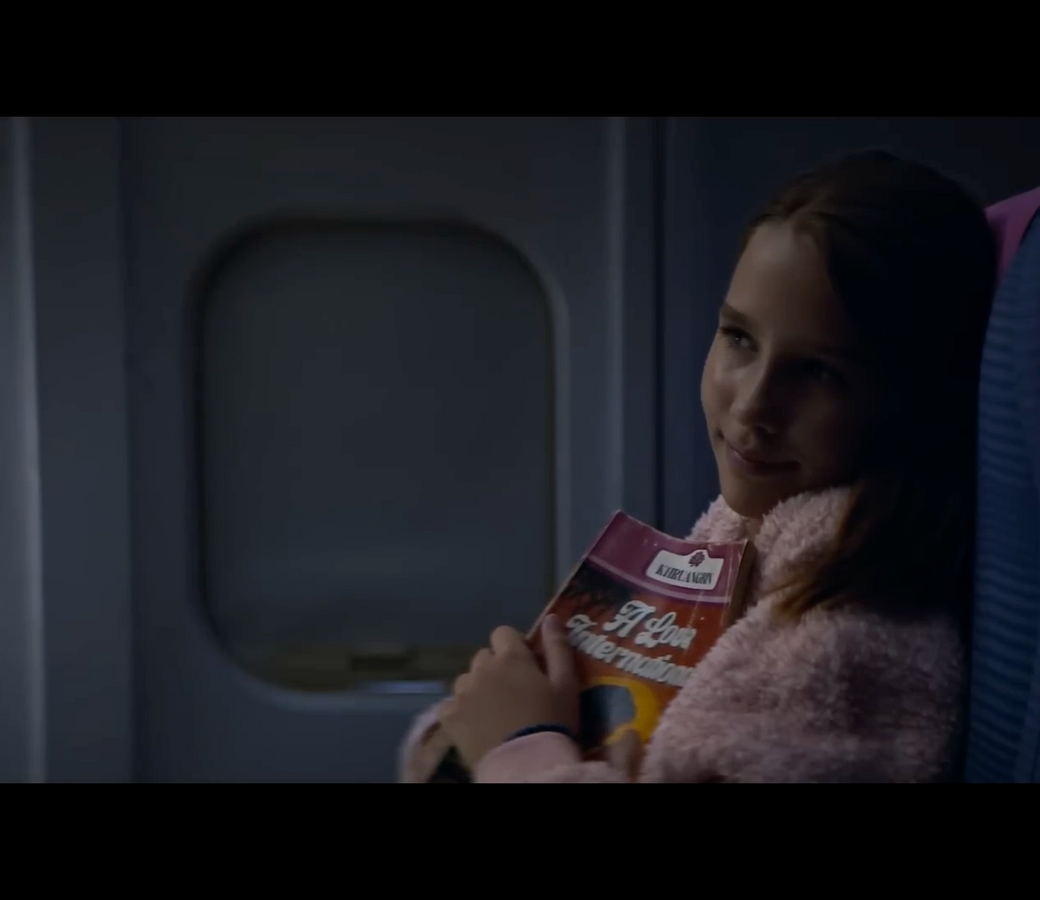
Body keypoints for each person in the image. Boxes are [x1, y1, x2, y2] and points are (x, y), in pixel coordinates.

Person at [399, 149, 997, 783]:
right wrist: (467, 738)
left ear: (915, 403)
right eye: (739, 338)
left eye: (818, 372)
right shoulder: (742, 543)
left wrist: (522, 743)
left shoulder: (850, 640)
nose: (752, 404)